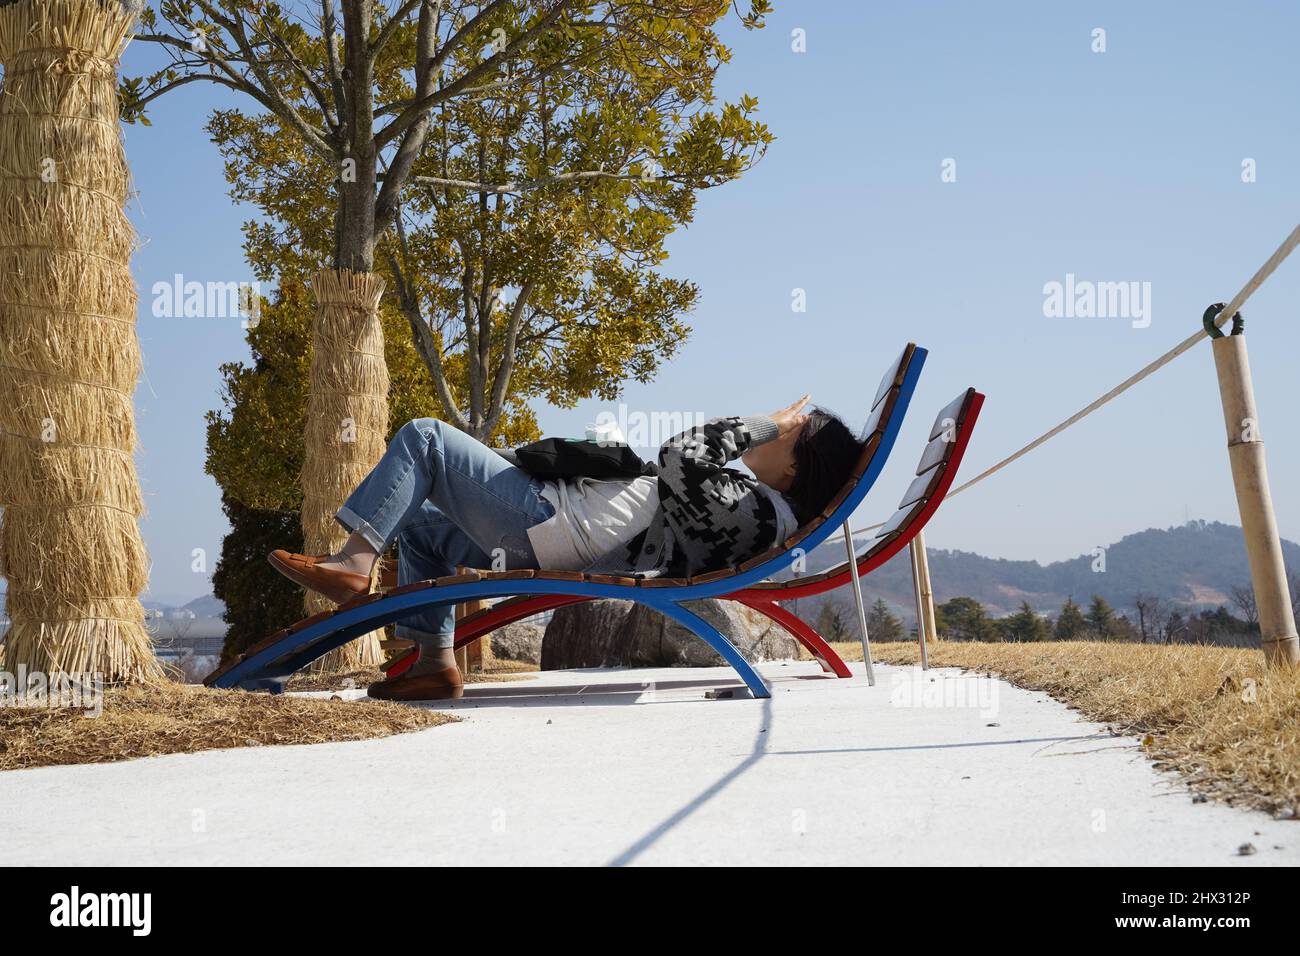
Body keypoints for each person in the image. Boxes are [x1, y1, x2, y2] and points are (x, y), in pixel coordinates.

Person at [268, 395, 867, 701]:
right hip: (566, 527)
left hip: (555, 527)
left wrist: (757, 422)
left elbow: (680, 455)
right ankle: (434, 665)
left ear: (795, 465)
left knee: (425, 438)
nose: (776, 428)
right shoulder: (759, 511)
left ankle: (354, 563)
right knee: (425, 527)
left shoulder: (757, 513)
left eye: (788, 432)